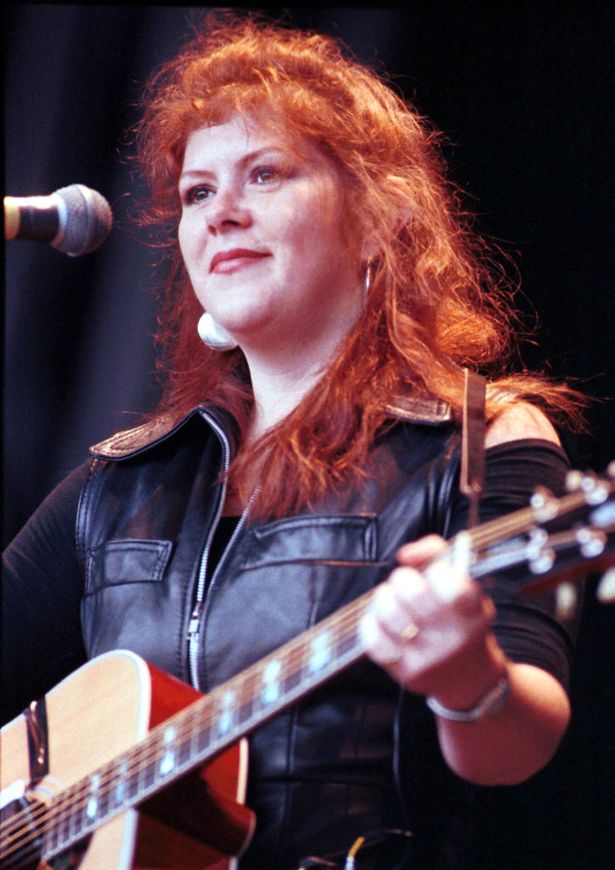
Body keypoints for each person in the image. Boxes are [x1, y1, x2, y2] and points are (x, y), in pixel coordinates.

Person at [2, 17, 585, 869]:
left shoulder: (477, 438)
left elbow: (517, 745)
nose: (221, 212)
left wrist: (470, 680)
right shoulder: (122, 484)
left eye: (264, 174)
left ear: (379, 217)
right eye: (198, 193)